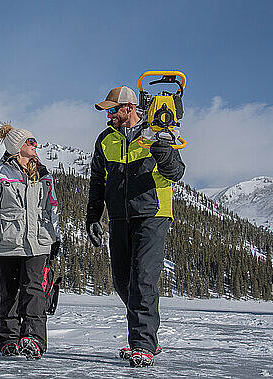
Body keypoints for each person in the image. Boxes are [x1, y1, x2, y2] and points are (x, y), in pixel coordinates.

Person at [86, 86, 185, 367]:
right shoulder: (105, 140)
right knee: (121, 280)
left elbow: (177, 172)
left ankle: (142, 344)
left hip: (153, 213)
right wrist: (94, 216)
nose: (109, 115)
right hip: (119, 216)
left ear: (129, 108)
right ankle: (148, 336)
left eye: (113, 110)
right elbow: (97, 181)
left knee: (142, 278)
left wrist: (164, 153)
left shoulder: (156, 131)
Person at [0, 123, 61, 360]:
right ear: (17, 147)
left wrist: (56, 238)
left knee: (34, 291)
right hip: (6, 242)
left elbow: (52, 208)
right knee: (8, 293)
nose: (35, 145)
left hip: (37, 244)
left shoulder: (44, 176)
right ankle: (9, 340)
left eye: (34, 142)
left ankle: (33, 339)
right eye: (30, 142)